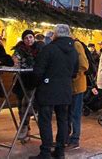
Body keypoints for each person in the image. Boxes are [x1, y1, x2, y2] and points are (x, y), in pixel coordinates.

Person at [29, 24, 78, 159]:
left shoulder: (49, 49)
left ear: (55, 35)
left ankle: (45, 151)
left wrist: (35, 84)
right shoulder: (73, 51)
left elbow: (38, 71)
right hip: (65, 90)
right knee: (63, 120)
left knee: (45, 120)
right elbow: (75, 72)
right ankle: (60, 151)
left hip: (48, 90)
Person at [11, 30, 42, 141]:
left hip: (33, 80)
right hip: (21, 79)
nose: (29, 40)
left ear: (34, 38)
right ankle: (26, 128)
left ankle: (23, 126)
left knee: (26, 102)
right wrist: (15, 62)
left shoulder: (40, 48)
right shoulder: (19, 49)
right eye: (26, 38)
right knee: (20, 104)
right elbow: (15, 59)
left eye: (30, 37)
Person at [66, 36, 89, 150]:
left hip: (77, 86)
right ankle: (67, 137)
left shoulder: (76, 45)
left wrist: (74, 77)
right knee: (68, 113)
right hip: (70, 86)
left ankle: (75, 139)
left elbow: (84, 65)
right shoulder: (69, 45)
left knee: (75, 113)